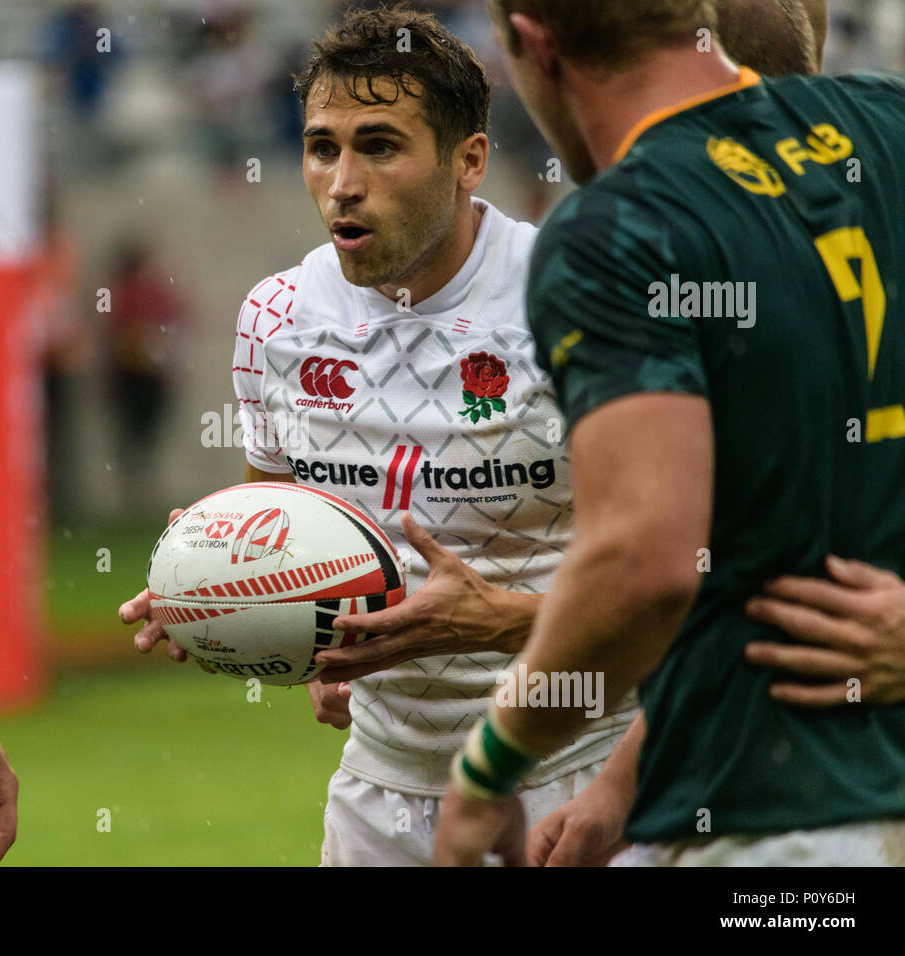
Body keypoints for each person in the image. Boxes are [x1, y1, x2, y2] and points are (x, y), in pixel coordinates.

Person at [123, 6, 639, 866]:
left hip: (579, 777)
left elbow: (696, 586)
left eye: (380, 145)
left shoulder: (572, 301)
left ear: (471, 159)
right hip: (381, 795)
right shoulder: (276, 320)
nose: (342, 182)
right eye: (323, 147)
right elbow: (284, 531)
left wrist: (506, 626)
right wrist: (217, 589)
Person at [432, 0, 905, 866]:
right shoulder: (886, 121)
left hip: (780, 831)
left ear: (534, 43)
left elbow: (642, 566)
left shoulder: (617, 229)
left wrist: (488, 769)